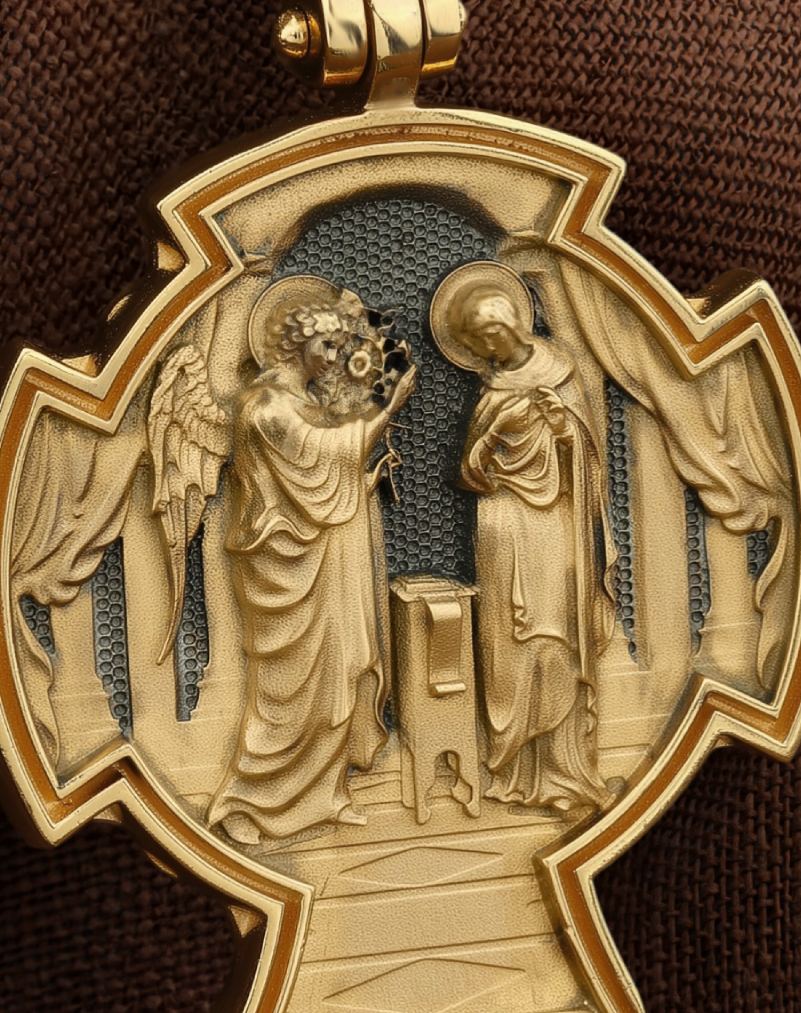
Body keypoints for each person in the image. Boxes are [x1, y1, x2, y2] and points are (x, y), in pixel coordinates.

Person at [209, 289, 415, 845]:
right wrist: (388, 407)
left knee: (337, 677)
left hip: (325, 555)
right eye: (325, 345)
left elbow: (325, 480)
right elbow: (319, 464)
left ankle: (326, 795)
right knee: (289, 695)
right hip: (286, 567)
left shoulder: (305, 401)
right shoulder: (265, 407)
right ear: (294, 345)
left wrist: (362, 482)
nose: (332, 357)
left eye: (338, 346)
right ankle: (250, 803)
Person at [437, 267, 615, 814]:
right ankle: (513, 770)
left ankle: (565, 770)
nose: (485, 348)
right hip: (502, 524)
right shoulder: (491, 391)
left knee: (554, 635)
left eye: (488, 335)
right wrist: (493, 434)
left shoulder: (562, 374)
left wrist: (563, 428)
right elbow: (469, 472)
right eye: (475, 340)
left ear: (510, 323)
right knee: (507, 645)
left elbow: (588, 463)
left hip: (554, 525)